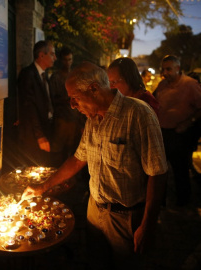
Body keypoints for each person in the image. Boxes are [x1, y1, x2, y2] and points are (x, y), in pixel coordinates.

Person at [22, 61, 168, 268]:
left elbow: (158, 172)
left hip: (125, 218)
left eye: (75, 98)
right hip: (94, 211)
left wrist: (148, 225)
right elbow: (79, 158)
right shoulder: (92, 119)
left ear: (94, 89)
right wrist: (42, 187)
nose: (72, 105)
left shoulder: (138, 114)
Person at [154, 55, 201, 207]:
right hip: (162, 134)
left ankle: (183, 203)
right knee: (160, 171)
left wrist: (188, 123)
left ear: (178, 69)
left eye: (168, 69)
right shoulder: (162, 85)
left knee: (181, 170)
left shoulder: (190, 84)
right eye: (163, 69)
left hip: (180, 135)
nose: (165, 73)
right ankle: (160, 203)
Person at [17, 40, 57, 167]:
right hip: (33, 134)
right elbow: (29, 107)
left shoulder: (44, 75)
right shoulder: (28, 74)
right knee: (35, 166)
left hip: (45, 126)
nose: (55, 58)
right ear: (41, 55)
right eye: (52, 54)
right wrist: (39, 135)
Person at [49, 47, 84, 166]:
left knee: (72, 151)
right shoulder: (56, 77)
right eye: (65, 60)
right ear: (61, 60)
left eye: (70, 60)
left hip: (74, 120)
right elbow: (52, 99)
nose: (67, 62)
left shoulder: (75, 76)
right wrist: (67, 99)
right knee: (58, 152)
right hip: (61, 120)